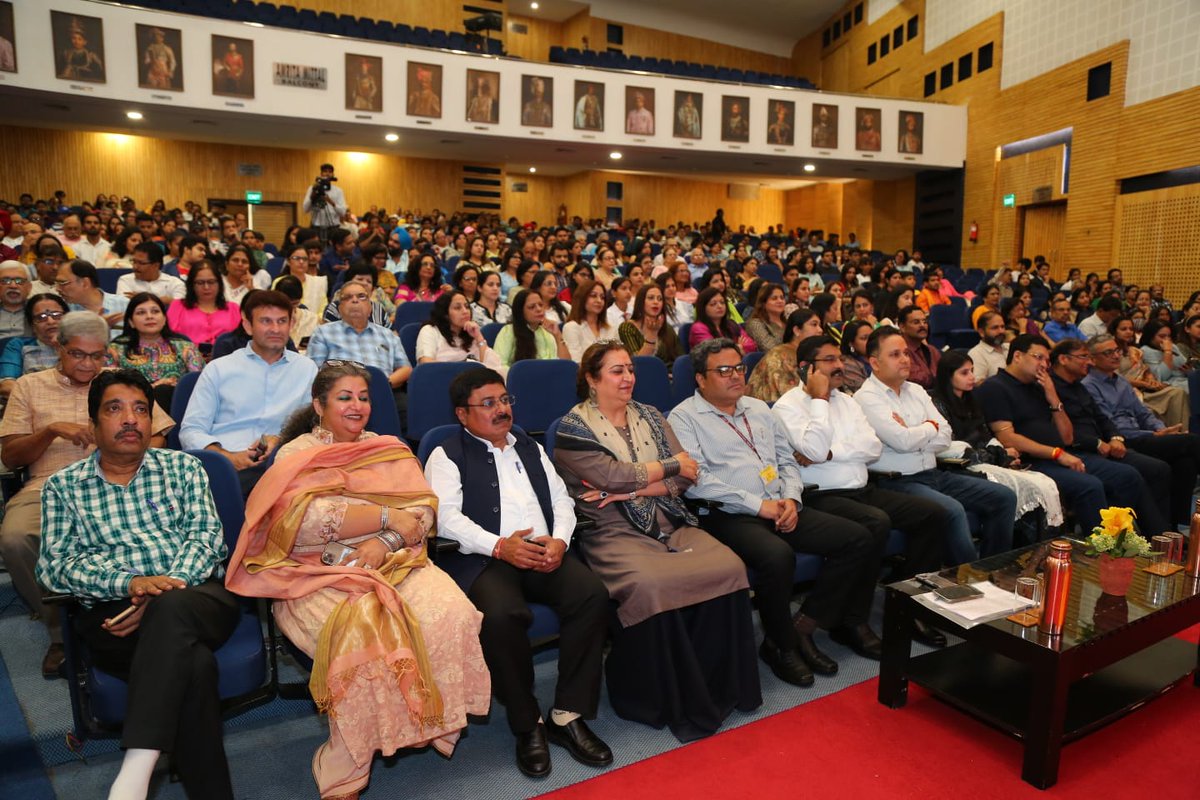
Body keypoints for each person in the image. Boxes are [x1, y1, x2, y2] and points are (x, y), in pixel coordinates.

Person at [227, 362, 490, 798]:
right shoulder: (295, 455)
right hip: (316, 574)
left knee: (451, 614)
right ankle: (347, 763)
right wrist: (387, 516)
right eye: (344, 397)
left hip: (397, 561)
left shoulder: (389, 449)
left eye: (363, 397)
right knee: (364, 644)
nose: (357, 406)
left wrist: (383, 542)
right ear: (319, 405)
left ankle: (429, 723)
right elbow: (302, 524)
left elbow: (423, 511)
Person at [37, 369, 235, 800]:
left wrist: (164, 590)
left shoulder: (183, 467)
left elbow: (206, 540)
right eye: (115, 409)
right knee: (196, 667)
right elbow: (54, 567)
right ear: (93, 425)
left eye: (140, 410)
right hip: (117, 616)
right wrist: (130, 584)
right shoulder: (63, 488)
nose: (130, 419)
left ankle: (137, 765)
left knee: (172, 610)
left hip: (197, 597)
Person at [556, 343, 762, 736]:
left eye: (630, 369)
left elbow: (687, 477)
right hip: (610, 530)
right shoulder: (572, 428)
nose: (628, 378)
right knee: (651, 584)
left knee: (729, 566)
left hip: (669, 519)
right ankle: (663, 698)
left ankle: (720, 687)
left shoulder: (650, 415)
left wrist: (635, 489)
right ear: (591, 379)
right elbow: (613, 477)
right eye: (617, 371)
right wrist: (665, 467)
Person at [425, 368, 612, 777]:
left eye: (505, 400)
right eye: (488, 403)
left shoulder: (528, 444)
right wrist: (498, 545)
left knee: (592, 596)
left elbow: (561, 497)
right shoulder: (446, 453)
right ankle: (528, 723)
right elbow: (444, 518)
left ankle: (567, 713)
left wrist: (560, 540)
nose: (501, 410)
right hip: (485, 559)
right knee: (503, 616)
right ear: (462, 413)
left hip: (544, 553)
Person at [671, 338, 892, 677]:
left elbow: (786, 461)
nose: (735, 376)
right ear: (700, 378)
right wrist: (761, 506)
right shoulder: (684, 417)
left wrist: (790, 498)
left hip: (780, 504)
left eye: (740, 368)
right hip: (726, 513)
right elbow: (698, 481)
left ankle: (803, 626)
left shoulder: (759, 408)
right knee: (778, 556)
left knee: (857, 538)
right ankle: (781, 645)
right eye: (724, 370)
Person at [1, 313, 171, 679]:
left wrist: (128, 447)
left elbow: (158, 437)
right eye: (78, 354)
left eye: (97, 356)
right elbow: (10, 456)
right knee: (16, 538)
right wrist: (49, 432)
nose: (88, 364)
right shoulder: (29, 387)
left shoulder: (118, 385)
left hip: (124, 481)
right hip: (47, 486)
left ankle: (127, 613)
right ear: (58, 348)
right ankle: (61, 633)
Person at [771, 336, 946, 656]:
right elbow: (811, 449)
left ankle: (907, 606)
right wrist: (819, 401)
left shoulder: (849, 401)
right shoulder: (787, 407)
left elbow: (872, 448)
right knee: (875, 523)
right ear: (806, 368)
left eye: (839, 358)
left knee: (932, 514)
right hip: (820, 495)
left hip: (862, 489)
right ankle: (851, 620)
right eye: (829, 360)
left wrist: (831, 451)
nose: (839, 365)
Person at [854, 326, 1018, 566]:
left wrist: (916, 430)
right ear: (874, 363)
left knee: (1004, 497)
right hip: (898, 482)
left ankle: (992, 568)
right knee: (952, 510)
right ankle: (968, 579)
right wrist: (929, 427)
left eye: (906, 353)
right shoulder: (866, 397)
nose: (904, 360)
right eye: (894, 355)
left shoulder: (917, 390)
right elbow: (903, 441)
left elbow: (946, 435)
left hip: (936, 473)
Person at [974, 333, 1165, 536]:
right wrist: (1057, 453)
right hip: (1031, 461)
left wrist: (1053, 397)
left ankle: (1122, 538)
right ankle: (1102, 549)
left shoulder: (1040, 386)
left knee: (1128, 475)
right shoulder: (995, 387)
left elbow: (1067, 437)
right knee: (1090, 486)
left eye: (1047, 360)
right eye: (1038, 357)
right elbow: (1008, 438)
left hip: (1061, 453)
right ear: (1018, 356)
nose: (1044, 365)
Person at [179, 291, 318, 495]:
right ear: (247, 325)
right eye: (266, 321)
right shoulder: (219, 369)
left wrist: (280, 440)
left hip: (281, 463)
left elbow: (313, 427)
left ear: (292, 324)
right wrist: (226, 457)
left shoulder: (307, 369)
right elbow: (191, 430)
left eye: (282, 321)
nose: (275, 329)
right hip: (224, 465)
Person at [931, 350, 1065, 532]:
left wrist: (1005, 457)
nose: (972, 377)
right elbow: (952, 450)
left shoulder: (972, 400)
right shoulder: (937, 404)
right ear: (948, 376)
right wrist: (1001, 455)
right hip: (959, 468)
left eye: (972, 371)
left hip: (985, 460)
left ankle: (1040, 550)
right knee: (1021, 490)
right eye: (964, 373)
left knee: (1043, 484)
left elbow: (985, 437)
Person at [1049, 338, 1174, 528]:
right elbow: (1061, 431)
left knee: (1157, 468)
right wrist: (1098, 444)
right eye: (1083, 357)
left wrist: (1115, 438)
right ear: (1064, 359)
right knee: (1128, 475)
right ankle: (1120, 539)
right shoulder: (1050, 388)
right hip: (1077, 450)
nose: (1089, 362)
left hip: (1103, 445)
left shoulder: (1078, 386)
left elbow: (1102, 419)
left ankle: (1161, 535)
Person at [1084, 333, 1200, 524]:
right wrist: (1154, 434)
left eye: (1117, 351)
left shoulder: (1121, 380)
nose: (1115, 356)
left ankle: (1174, 528)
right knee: (1192, 441)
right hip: (1122, 439)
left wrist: (1161, 429)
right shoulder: (1089, 385)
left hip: (1144, 435)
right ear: (1092, 359)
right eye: (1108, 352)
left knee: (1185, 462)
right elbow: (1108, 423)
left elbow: (1143, 413)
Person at [106, 293, 204, 411]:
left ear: (164, 318)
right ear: (131, 322)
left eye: (155, 311)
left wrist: (175, 387)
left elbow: (199, 384)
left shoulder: (185, 348)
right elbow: (110, 387)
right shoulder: (115, 349)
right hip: (131, 408)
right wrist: (152, 387)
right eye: (141, 312)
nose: (149, 316)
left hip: (178, 408)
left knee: (164, 392)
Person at [1110, 315, 1189, 428]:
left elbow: (1145, 369)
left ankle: (1182, 432)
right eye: (1123, 329)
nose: (1128, 332)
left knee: (1178, 393)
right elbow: (1115, 377)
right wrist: (1145, 383)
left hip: (1147, 386)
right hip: (1129, 390)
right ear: (1114, 331)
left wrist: (1151, 379)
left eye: (1131, 329)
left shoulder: (1135, 351)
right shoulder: (1112, 352)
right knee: (1178, 391)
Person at [746, 308, 824, 404]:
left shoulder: (813, 355)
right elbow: (787, 399)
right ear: (797, 330)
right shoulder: (778, 357)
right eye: (814, 324)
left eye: (820, 325)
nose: (820, 330)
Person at [0, 293, 69, 397]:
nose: (50, 321)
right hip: (31, 406)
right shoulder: (18, 345)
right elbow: (7, 385)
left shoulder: (82, 344)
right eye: (41, 317)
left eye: (56, 315)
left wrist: (61, 347)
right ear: (32, 325)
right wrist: (44, 398)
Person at [166, 260, 241, 352]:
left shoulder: (233, 309)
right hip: (185, 360)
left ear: (219, 283)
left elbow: (240, 342)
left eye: (211, 282)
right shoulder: (178, 306)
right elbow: (168, 338)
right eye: (200, 283)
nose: (206, 287)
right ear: (191, 285)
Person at [416, 290, 502, 370]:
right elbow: (426, 365)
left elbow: (493, 366)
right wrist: (462, 368)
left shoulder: (470, 332)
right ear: (445, 314)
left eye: (467, 307)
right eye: (457, 308)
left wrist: (479, 337)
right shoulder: (430, 330)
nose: (465, 311)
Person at [493, 289, 570, 367]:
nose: (539, 309)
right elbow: (499, 365)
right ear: (521, 312)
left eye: (540, 305)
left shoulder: (548, 332)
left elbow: (565, 365)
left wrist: (557, 335)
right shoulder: (508, 331)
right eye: (532, 307)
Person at [57, 258, 128, 336]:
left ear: (85, 283)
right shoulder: (63, 311)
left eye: (63, 283)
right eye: (57, 283)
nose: (58, 288)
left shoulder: (125, 305)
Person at [617, 283, 682, 367]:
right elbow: (637, 364)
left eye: (660, 299)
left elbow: (680, 357)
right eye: (651, 298)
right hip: (644, 376)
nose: (656, 302)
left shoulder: (667, 328)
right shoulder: (627, 328)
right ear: (641, 301)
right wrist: (651, 336)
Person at [689, 287, 756, 353]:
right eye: (713, 304)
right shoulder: (698, 328)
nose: (720, 306)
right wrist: (738, 348)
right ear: (703, 308)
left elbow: (751, 345)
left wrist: (735, 349)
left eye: (722, 302)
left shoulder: (730, 324)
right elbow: (714, 351)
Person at [562, 279, 615, 361]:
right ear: (582, 298)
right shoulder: (572, 327)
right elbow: (575, 362)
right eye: (593, 296)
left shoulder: (610, 328)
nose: (599, 301)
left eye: (602, 297)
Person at [116, 242, 185, 304]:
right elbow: (124, 306)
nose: (135, 267)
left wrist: (142, 299)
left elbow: (181, 306)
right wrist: (163, 300)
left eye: (141, 263)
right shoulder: (125, 280)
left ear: (156, 265)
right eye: (134, 262)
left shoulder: (174, 283)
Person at [275, 243, 329, 317]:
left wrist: (310, 321)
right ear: (288, 261)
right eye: (297, 258)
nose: (301, 262)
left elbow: (323, 310)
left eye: (305, 259)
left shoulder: (318, 282)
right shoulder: (279, 281)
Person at [1139, 319, 1191, 390]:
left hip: (1183, 380)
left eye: (1169, 336)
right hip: (1169, 385)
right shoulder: (1146, 350)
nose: (1167, 340)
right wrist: (1167, 352)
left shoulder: (1173, 346)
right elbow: (1161, 377)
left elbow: (1183, 365)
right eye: (1162, 336)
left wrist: (1189, 370)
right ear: (1150, 337)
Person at [303, 163, 347, 231]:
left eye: (330, 172)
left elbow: (343, 212)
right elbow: (305, 209)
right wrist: (313, 195)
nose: (327, 174)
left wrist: (331, 202)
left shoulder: (338, 191)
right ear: (321, 174)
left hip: (333, 227)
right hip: (316, 227)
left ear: (333, 175)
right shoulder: (313, 188)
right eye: (325, 171)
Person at [967, 310, 1009, 381]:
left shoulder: (1010, 347)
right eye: (995, 328)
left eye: (1002, 327)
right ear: (981, 332)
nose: (1001, 331)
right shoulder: (976, 354)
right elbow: (978, 384)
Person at [744, 283, 788, 352]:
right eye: (774, 298)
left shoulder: (788, 321)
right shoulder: (755, 323)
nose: (780, 301)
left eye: (782, 298)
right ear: (763, 303)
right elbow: (770, 348)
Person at [838, 318, 874, 393]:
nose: (871, 341)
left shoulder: (881, 357)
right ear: (851, 343)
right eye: (864, 338)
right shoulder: (848, 365)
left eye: (872, 337)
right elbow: (865, 392)